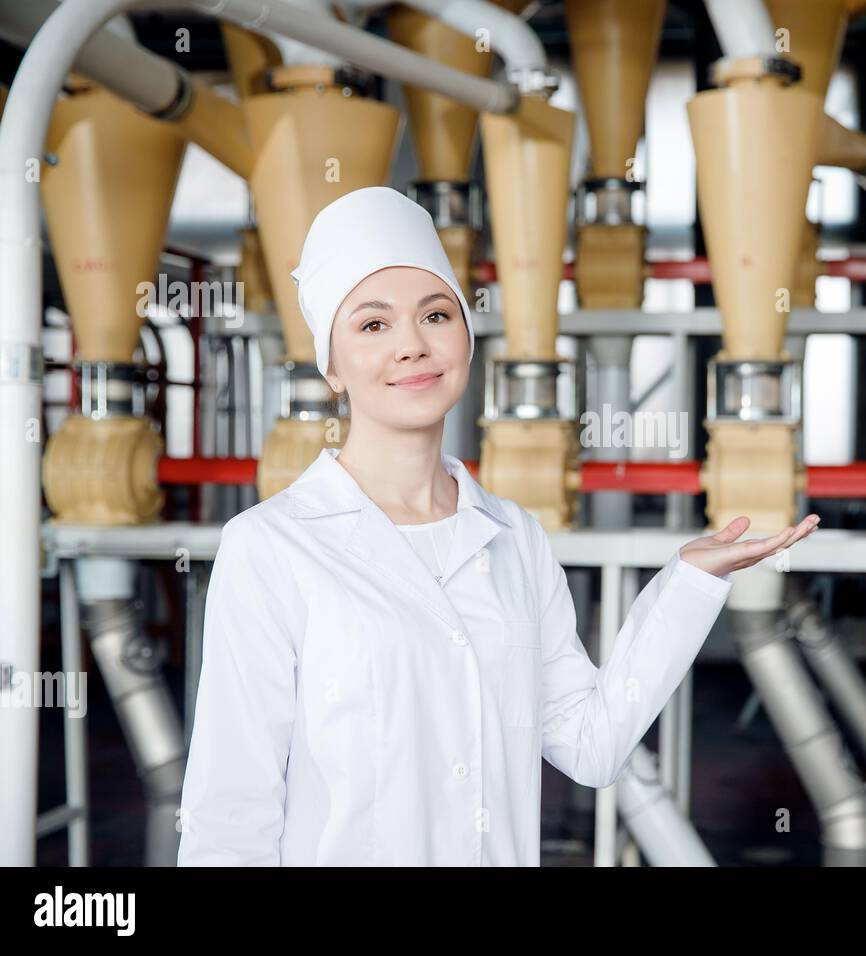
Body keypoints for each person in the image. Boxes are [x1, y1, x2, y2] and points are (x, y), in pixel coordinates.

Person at [177, 186, 819, 866]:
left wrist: (689, 582)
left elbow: (589, 744)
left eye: (436, 314)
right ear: (331, 366)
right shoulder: (272, 548)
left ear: (467, 334)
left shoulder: (513, 537)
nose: (412, 346)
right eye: (372, 325)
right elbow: (230, 815)